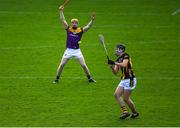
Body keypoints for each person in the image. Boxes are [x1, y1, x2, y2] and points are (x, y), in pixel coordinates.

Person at [53, 4, 96, 84]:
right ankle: (56, 79)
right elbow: (63, 20)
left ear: (77, 24)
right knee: (62, 65)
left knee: (83, 65)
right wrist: (61, 11)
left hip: (77, 51)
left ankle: (90, 79)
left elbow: (88, 26)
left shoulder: (80, 30)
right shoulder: (68, 29)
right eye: (73, 23)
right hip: (68, 50)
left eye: (76, 23)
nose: (74, 24)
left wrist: (92, 20)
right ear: (71, 23)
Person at [108, 44, 139, 119]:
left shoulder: (126, 55)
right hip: (124, 79)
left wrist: (114, 63)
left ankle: (135, 113)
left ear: (121, 50)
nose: (115, 50)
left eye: (117, 49)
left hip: (130, 79)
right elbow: (115, 72)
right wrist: (112, 66)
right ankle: (125, 112)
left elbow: (124, 64)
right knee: (116, 95)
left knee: (126, 98)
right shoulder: (118, 59)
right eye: (115, 49)